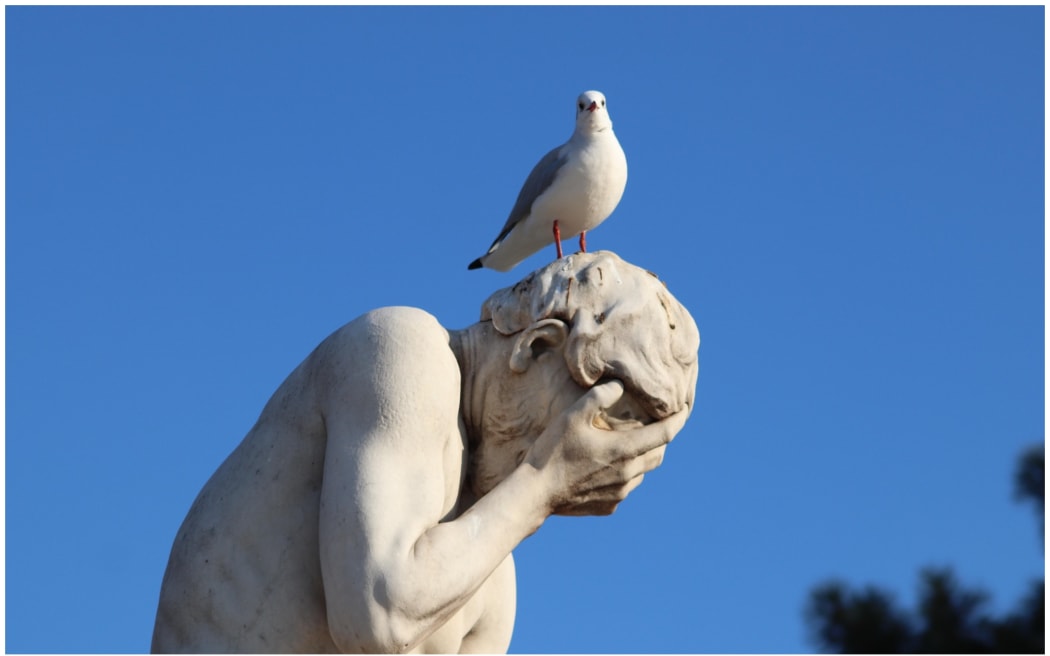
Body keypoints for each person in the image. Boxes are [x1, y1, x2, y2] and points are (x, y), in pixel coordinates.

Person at [151, 251, 700, 654]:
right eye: (578, 433)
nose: (580, 471)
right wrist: (542, 481)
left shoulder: (487, 578)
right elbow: (378, 616)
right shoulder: (406, 352)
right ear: (537, 348)